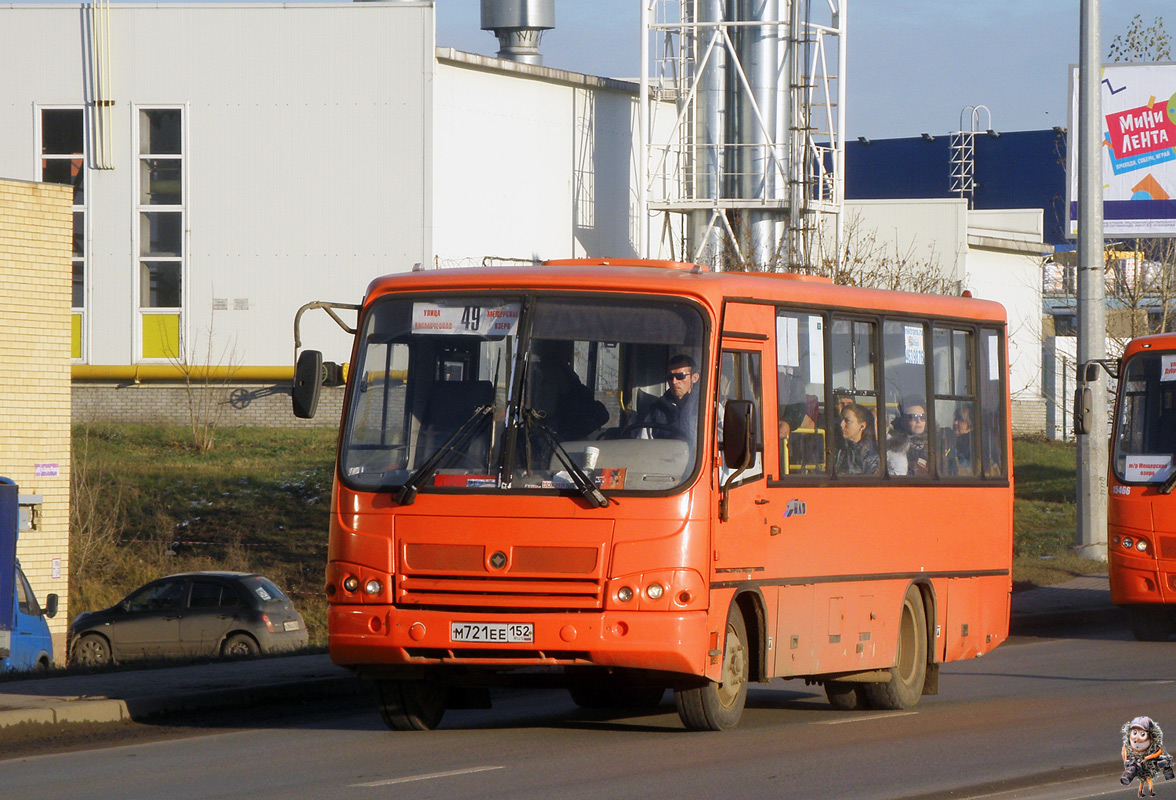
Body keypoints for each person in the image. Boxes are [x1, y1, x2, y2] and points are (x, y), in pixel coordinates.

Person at [636, 354, 700, 444]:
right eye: (670, 377)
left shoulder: (707, 406)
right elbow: (642, 443)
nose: (674, 381)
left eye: (680, 376)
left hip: (696, 458)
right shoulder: (656, 409)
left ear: (694, 378)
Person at [834, 403, 879, 476]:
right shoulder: (837, 448)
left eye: (847, 421)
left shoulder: (871, 456)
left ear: (862, 426)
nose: (841, 424)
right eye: (841, 420)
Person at [889, 395, 928, 476]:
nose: (918, 421)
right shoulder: (893, 443)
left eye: (922, 416)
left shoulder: (937, 440)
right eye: (912, 417)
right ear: (903, 420)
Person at [945, 403, 973, 476]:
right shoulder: (947, 438)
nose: (955, 423)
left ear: (971, 425)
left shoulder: (972, 448)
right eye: (955, 419)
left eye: (961, 420)